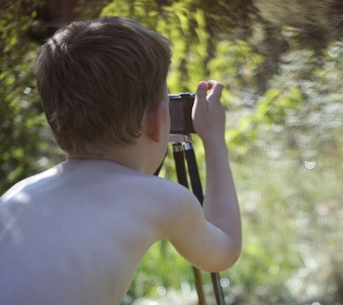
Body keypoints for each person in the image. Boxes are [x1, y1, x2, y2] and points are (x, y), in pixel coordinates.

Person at [0, 16, 242, 305]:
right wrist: (214, 140)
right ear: (157, 121)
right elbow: (223, 249)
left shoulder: (18, 195)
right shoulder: (161, 198)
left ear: (56, 128)